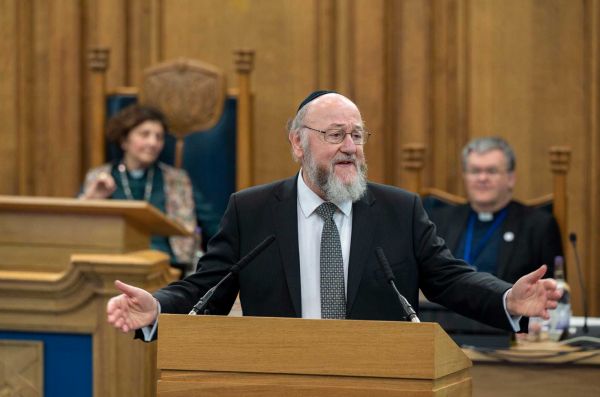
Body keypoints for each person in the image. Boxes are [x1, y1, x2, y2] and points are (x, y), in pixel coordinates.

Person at [106, 91, 562, 337]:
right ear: (297, 143)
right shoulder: (252, 211)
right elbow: (207, 290)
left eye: (358, 135)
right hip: (277, 382)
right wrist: (159, 307)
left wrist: (507, 299)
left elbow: (450, 278)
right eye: (336, 134)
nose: (351, 147)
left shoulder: (399, 210)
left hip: (378, 382)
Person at [80, 105, 220, 269]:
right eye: (144, 134)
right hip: (114, 265)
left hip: (169, 269)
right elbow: (73, 230)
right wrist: (91, 199)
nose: (153, 143)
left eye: (159, 137)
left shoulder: (178, 180)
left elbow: (213, 227)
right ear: (124, 140)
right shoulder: (100, 177)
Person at [428, 136, 563, 283]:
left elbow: (551, 289)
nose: (482, 178)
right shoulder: (439, 220)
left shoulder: (538, 226)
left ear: (511, 178)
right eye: (474, 171)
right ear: (465, 176)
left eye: (491, 171)